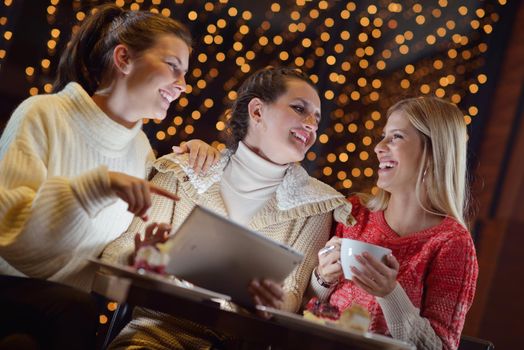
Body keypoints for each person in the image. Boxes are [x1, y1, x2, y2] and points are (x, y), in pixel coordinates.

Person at [0, 4, 216, 349]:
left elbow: (97, 262)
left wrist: (137, 255)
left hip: (65, 310)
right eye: (173, 67)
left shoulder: (141, 151)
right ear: (124, 59)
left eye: (185, 73)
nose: (183, 85)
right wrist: (96, 187)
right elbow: (11, 242)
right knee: (74, 310)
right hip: (17, 290)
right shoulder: (44, 115)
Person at [101, 66, 354, 349]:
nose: (311, 124)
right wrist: (138, 260)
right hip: (157, 337)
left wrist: (267, 304)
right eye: (299, 109)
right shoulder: (181, 171)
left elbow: (292, 294)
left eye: (316, 119)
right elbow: (116, 255)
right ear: (257, 111)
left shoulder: (318, 204)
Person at [311, 97, 478, 350]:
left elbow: (441, 347)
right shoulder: (355, 212)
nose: (379, 147)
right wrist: (322, 279)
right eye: (383, 136)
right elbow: (303, 307)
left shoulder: (452, 243)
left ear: (433, 152)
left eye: (396, 137)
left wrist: (390, 293)